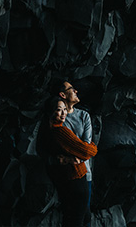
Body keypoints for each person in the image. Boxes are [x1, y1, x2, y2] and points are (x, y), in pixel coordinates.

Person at [46, 97, 97, 227]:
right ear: (51, 112)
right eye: (59, 110)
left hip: (68, 180)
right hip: (76, 179)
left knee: (78, 218)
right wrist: (92, 147)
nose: (63, 113)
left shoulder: (49, 130)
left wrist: (67, 158)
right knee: (78, 220)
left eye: (64, 110)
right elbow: (87, 152)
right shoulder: (61, 131)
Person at [55, 80, 94, 226]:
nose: (76, 91)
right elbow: (59, 145)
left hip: (85, 172)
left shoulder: (84, 116)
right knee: (73, 215)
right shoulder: (59, 116)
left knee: (86, 215)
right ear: (63, 94)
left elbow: (87, 147)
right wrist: (73, 155)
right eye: (72, 89)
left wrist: (72, 154)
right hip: (66, 174)